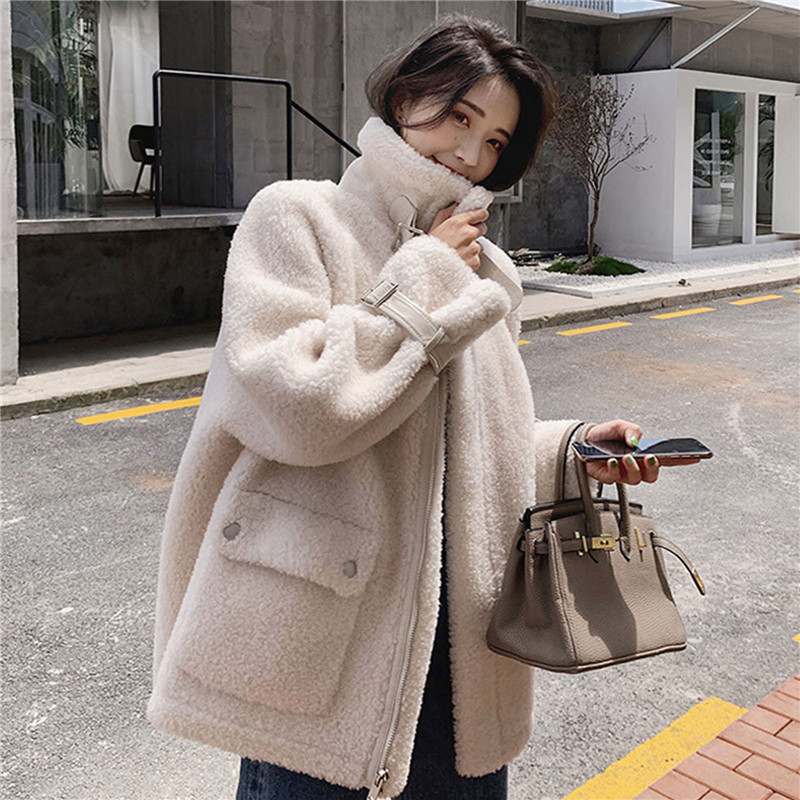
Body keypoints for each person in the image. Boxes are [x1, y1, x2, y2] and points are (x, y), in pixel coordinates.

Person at [146, 14, 697, 800]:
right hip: (319, 643)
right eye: (459, 116)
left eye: (496, 141)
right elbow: (295, 410)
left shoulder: (489, 272)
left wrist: (572, 451)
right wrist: (428, 274)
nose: (471, 154)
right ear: (406, 96)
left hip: (462, 651)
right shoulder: (299, 218)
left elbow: (466, 444)